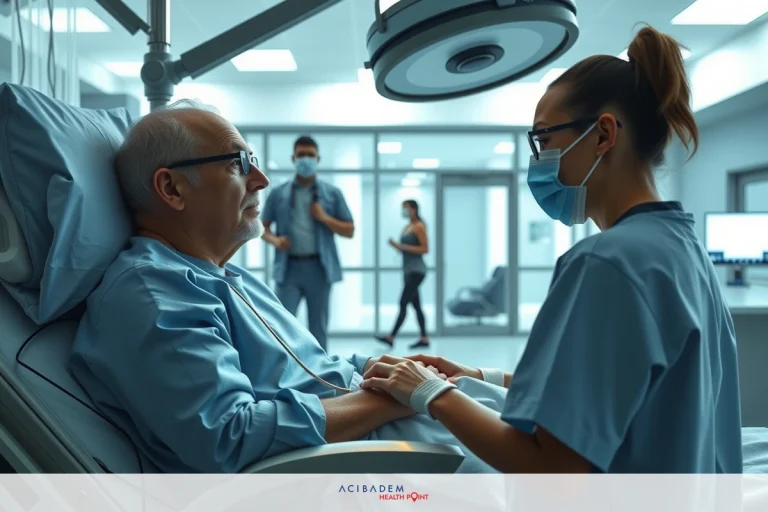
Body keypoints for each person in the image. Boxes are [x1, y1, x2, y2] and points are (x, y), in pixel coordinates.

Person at [360, 26, 744, 473]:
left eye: (543, 140)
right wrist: (478, 378)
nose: (538, 159)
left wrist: (430, 393)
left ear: (603, 135)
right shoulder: (682, 247)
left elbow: (552, 471)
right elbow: (616, 389)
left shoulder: (607, 262)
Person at [69, 100, 509, 474]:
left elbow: (310, 366)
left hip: (373, 412)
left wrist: (381, 367)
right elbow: (229, 436)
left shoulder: (224, 276)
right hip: (360, 455)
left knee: (529, 419)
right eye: (238, 163)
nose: (261, 180)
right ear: (172, 188)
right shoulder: (151, 293)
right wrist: (400, 399)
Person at [260, 136, 354, 350]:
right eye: (301, 155)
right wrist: (275, 240)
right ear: (293, 158)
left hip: (319, 269)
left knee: (318, 328)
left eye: (310, 155)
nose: (305, 159)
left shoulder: (332, 194)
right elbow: (261, 227)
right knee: (281, 325)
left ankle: (319, 370)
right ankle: (283, 367)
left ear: (318, 159)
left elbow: (349, 230)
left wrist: (324, 217)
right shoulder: (278, 193)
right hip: (288, 268)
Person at [375, 200, 430, 349]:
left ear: (413, 209)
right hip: (408, 270)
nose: (403, 211)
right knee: (417, 306)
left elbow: (425, 249)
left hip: (417, 271)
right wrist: (396, 246)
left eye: (405, 208)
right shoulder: (407, 227)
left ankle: (391, 337)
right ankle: (424, 338)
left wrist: (402, 246)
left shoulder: (419, 226)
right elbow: (405, 248)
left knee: (403, 302)